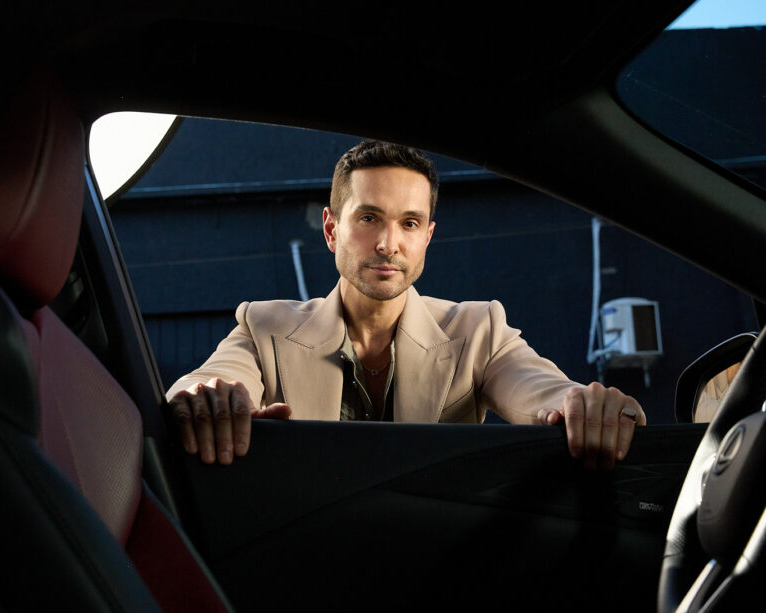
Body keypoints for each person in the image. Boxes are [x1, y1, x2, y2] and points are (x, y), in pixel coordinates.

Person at [167, 140, 645, 469]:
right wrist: (210, 398)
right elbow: (205, 384)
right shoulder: (264, 326)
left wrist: (583, 407)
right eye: (370, 218)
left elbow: (542, 392)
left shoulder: (478, 331)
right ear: (332, 230)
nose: (388, 243)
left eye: (410, 223)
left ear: (428, 237)